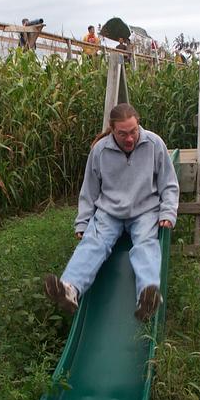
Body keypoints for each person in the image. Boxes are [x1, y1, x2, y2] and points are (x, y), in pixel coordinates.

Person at [45, 103, 179, 321]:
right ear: (112, 130)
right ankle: (70, 289)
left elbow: (169, 184)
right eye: (122, 134)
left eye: (133, 131)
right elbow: (89, 190)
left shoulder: (154, 144)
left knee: (145, 244)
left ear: (138, 124)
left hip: (144, 209)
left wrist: (168, 212)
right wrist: (83, 221)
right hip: (109, 211)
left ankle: (147, 295)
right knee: (93, 243)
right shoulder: (100, 150)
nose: (129, 138)